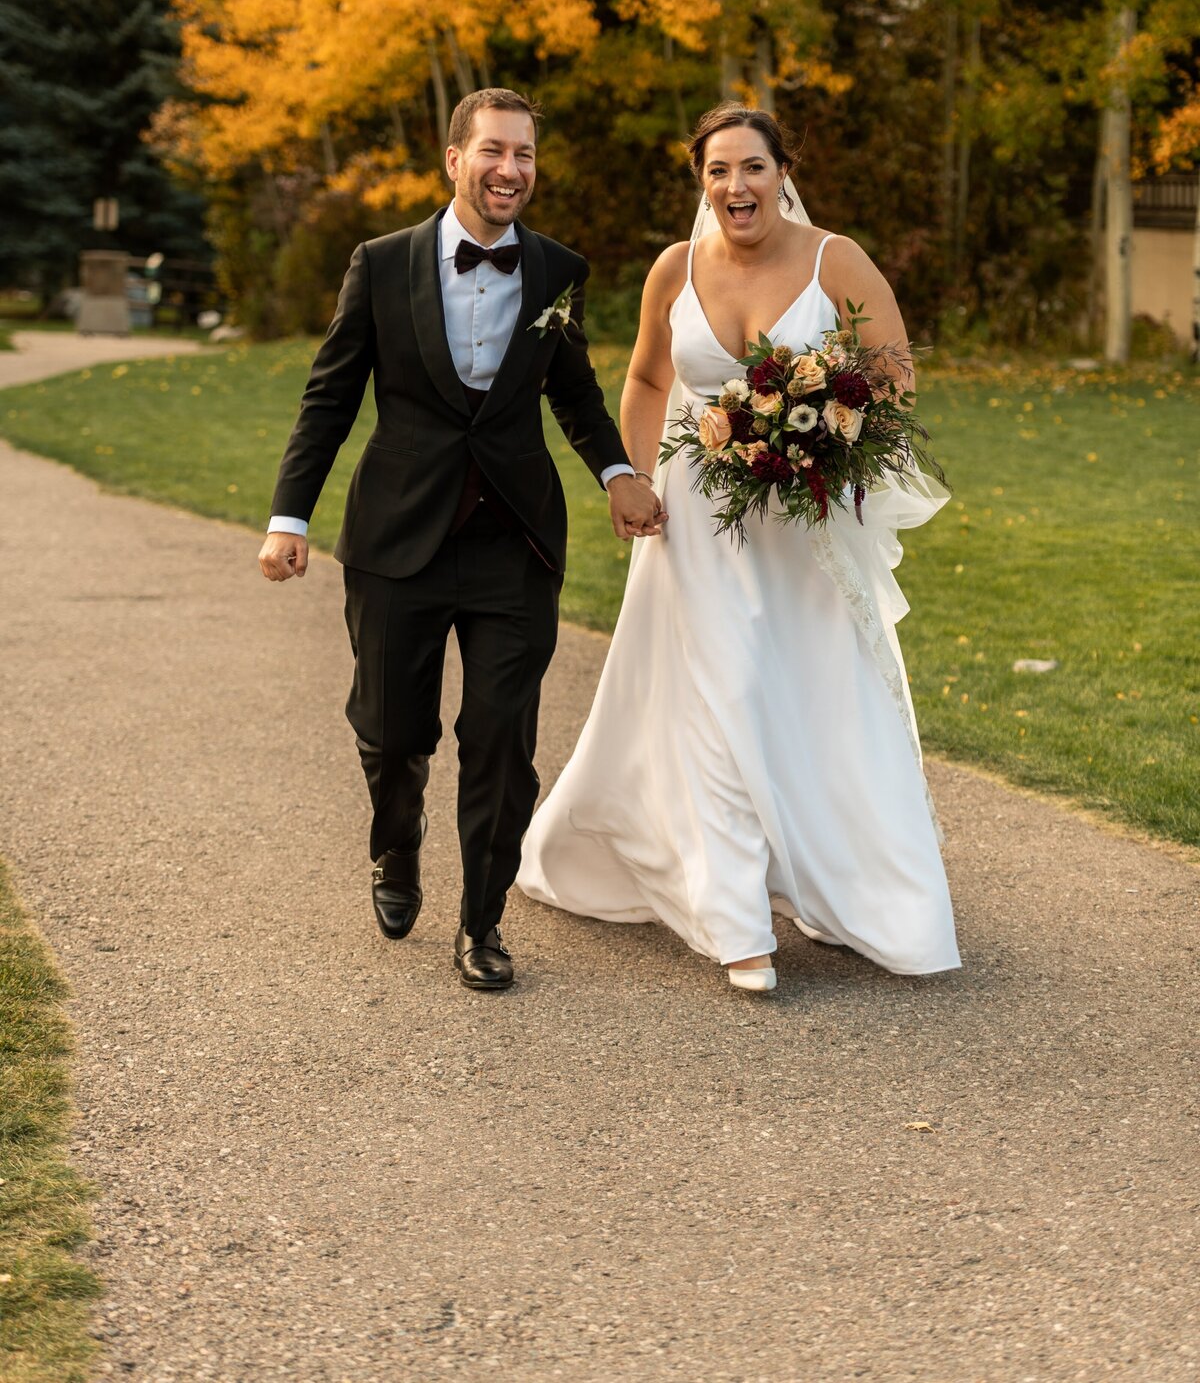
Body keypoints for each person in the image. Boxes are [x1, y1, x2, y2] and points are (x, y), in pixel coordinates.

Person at [518, 101, 960, 992]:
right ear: (701, 183)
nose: (734, 186)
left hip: (804, 523)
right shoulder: (675, 268)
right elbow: (647, 377)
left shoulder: (836, 259)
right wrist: (631, 478)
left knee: (811, 697)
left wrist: (821, 438)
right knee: (717, 695)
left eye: (750, 167)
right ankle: (735, 923)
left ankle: (835, 883)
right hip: (695, 523)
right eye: (717, 172)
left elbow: (895, 373)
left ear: (781, 173)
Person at [258, 88, 663, 991]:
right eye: (494, 151)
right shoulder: (383, 263)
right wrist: (290, 519)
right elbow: (330, 397)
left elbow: (574, 391)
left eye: (524, 155)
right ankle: (394, 849)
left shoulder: (558, 271)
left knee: (500, 737)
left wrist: (617, 471)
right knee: (394, 730)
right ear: (454, 160)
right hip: (397, 536)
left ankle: (483, 922)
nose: (510, 170)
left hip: (513, 543)